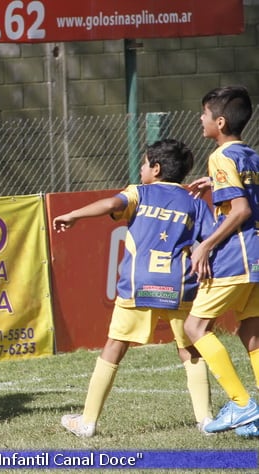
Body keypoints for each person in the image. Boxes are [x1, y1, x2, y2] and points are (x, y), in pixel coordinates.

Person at [53, 139, 214, 437]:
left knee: (114, 347)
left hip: (138, 285)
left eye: (144, 163)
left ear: (156, 168)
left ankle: (87, 422)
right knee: (190, 349)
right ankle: (205, 420)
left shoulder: (139, 193)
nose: (140, 168)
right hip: (178, 286)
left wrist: (74, 215)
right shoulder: (194, 203)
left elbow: (112, 204)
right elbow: (211, 240)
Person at [182, 85, 259, 437]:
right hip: (256, 257)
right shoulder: (251, 154)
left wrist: (205, 245)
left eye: (204, 114)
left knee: (194, 328)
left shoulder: (219, 157)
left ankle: (242, 404)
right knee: (252, 333)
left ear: (221, 121)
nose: (201, 119)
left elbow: (240, 209)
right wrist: (215, 183)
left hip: (235, 256)